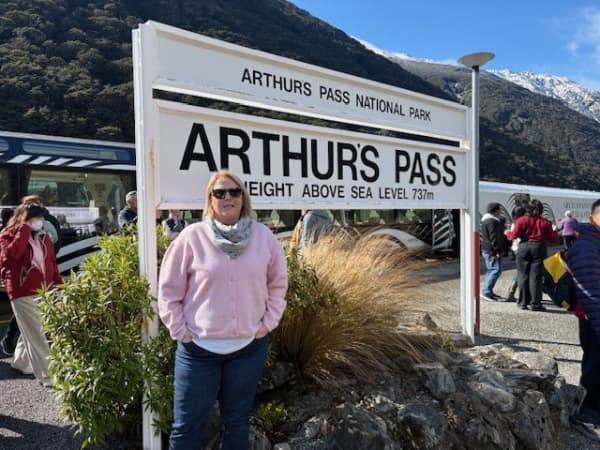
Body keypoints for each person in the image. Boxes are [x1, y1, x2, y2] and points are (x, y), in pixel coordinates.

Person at [158, 170, 288, 449]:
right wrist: (181, 331)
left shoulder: (264, 237)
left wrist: (268, 323)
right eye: (220, 193)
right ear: (210, 200)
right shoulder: (191, 237)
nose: (227, 197)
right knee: (186, 428)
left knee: (238, 421)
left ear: (243, 198)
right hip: (198, 352)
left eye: (234, 191)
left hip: (247, 349)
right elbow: (168, 291)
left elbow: (278, 284)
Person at [0, 203, 62, 385]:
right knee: (37, 332)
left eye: (41, 218)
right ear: (23, 218)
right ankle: (48, 375)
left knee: (32, 327)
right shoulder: (8, 235)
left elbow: (52, 263)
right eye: (35, 218)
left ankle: (21, 362)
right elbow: (13, 255)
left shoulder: (44, 237)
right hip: (22, 291)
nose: (40, 221)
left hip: (45, 290)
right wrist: (24, 228)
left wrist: (58, 285)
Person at [568, 199, 600, 426]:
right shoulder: (586, 246)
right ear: (592, 217)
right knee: (594, 365)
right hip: (594, 318)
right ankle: (587, 411)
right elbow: (589, 292)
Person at [506, 199, 559, 311]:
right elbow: (553, 238)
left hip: (524, 246)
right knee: (536, 277)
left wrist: (507, 233)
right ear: (541, 210)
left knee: (523, 275)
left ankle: (523, 302)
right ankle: (535, 303)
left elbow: (513, 236)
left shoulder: (521, 220)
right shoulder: (545, 222)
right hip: (539, 248)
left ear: (527, 208)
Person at [480, 202, 510, 302]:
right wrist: (498, 250)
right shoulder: (492, 222)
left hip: (487, 249)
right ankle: (486, 292)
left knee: (491, 270)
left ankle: (489, 290)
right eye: (499, 210)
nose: (500, 212)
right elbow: (494, 237)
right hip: (492, 250)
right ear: (496, 211)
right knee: (495, 270)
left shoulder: (486, 220)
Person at [505, 206, 526, 302]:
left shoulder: (514, 223)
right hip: (521, 248)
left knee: (520, 271)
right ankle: (512, 292)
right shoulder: (521, 223)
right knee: (522, 272)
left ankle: (511, 292)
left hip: (515, 248)